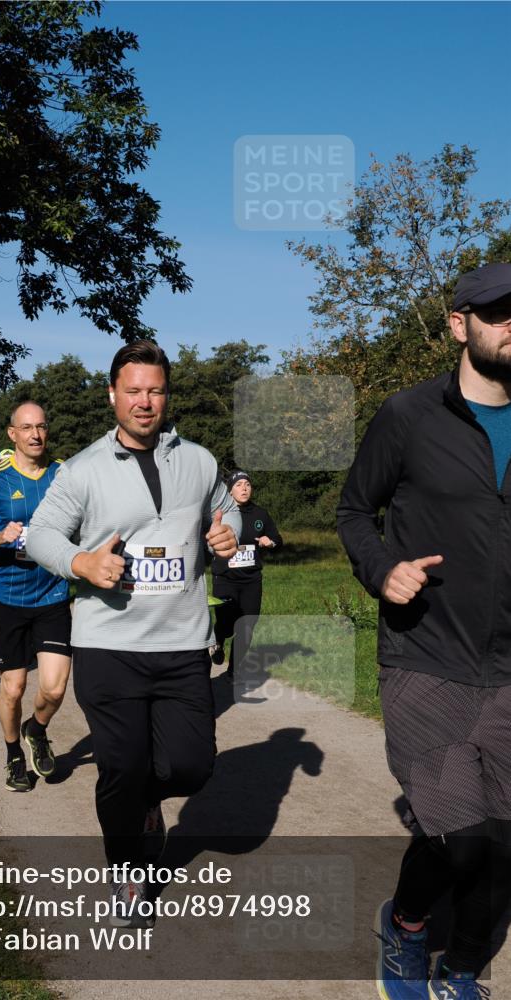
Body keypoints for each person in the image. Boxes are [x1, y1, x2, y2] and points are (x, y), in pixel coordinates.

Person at [337, 262, 511, 1000]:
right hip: (426, 657)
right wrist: (383, 570)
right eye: (498, 311)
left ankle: (461, 971)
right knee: (461, 839)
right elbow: (354, 510)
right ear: (459, 325)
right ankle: (407, 927)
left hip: (508, 671)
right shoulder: (408, 416)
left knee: (503, 843)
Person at [26, 340, 241, 926]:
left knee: (191, 768)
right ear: (113, 396)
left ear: (166, 396)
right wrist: (81, 562)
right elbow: (41, 534)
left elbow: (226, 508)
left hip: (182, 644)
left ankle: (148, 802)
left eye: (155, 391)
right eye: (133, 391)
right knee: (121, 767)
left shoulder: (198, 460)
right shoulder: (82, 469)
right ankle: (127, 869)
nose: (144, 402)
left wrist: (228, 533)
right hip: (108, 645)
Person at [0, 404, 72, 793]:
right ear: (13, 434)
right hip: (8, 597)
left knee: (55, 689)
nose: (35, 434)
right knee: (12, 689)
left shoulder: (63, 474)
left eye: (41, 426)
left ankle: (37, 729)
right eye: (26, 428)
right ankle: (13, 755)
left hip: (53, 593)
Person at [210, 470, 283, 679]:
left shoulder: (260, 514)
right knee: (226, 623)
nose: (244, 488)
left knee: (247, 625)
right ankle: (218, 641)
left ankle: (233, 671)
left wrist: (271, 542)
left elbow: (278, 540)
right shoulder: (221, 514)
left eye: (247, 484)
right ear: (230, 491)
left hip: (251, 580)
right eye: (239, 485)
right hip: (225, 578)